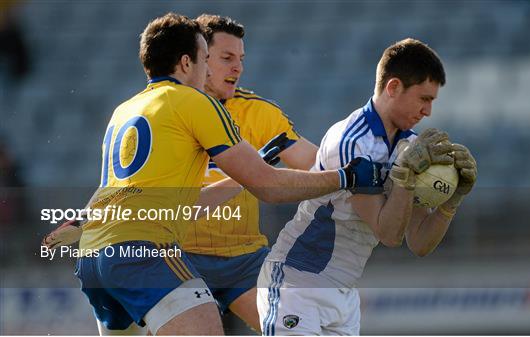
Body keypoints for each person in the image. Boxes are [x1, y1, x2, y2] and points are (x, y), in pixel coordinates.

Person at [45, 13, 381, 336]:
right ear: (187, 62)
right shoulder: (195, 103)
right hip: (151, 252)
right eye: (210, 58)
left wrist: (80, 222)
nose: (228, 68)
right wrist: (348, 177)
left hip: (100, 255)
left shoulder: (127, 109)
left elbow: (126, 193)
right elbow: (270, 186)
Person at [257, 38, 478, 335]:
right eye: (423, 98)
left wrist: (452, 202)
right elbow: (387, 233)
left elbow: (420, 242)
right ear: (393, 87)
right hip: (298, 283)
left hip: (344, 294)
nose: (427, 111)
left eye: (432, 101)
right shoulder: (351, 142)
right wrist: (404, 176)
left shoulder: (409, 146)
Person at [180, 14, 319, 332]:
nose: (238, 68)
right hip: (179, 260)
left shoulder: (257, 113)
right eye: (227, 58)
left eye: (240, 59)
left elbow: (317, 164)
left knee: (303, 331)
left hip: (244, 261)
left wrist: (380, 170)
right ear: (198, 59)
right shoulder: (167, 113)